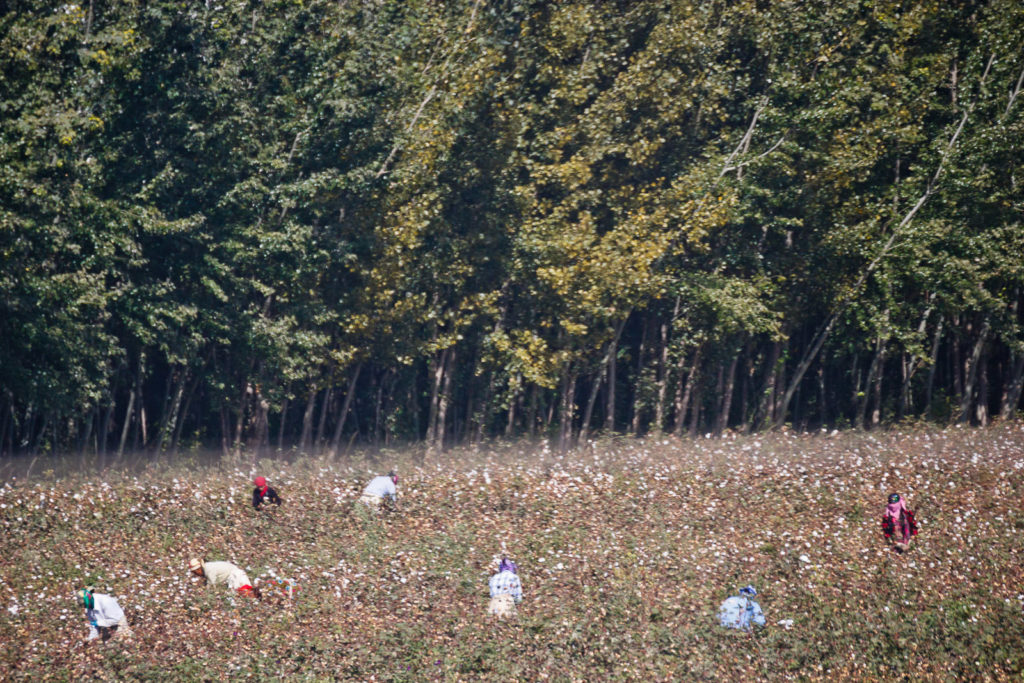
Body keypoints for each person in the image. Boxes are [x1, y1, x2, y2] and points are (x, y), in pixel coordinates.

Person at [189, 558, 261, 598]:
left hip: (235, 576)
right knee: (240, 595)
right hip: (233, 576)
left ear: (198, 569)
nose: (196, 574)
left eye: (195, 572)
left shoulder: (209, 570)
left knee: (245, 592)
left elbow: (211, 585)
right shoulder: (207, 568)